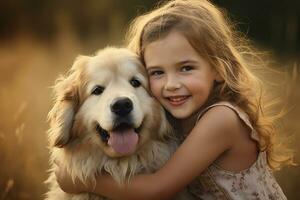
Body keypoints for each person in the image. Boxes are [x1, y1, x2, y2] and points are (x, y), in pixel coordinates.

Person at [55, 0, 295, 199]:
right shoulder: (180, 116)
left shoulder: (222, 119)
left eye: (186, 68)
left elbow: (158, 188)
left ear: (220, 70)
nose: (171, 85)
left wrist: (82, 182)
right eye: (157, 73)